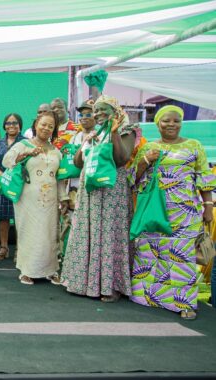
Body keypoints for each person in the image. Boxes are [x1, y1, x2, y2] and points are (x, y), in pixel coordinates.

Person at [129, 105, 215, 320]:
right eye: (166, 120)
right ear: (157, 123)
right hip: (154, 212)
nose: (171, 124)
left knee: (182, 258)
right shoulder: (148, 147)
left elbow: (204, 177)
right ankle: (147, 298)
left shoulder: (194, 146)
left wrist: (208, 207)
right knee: (151, 254)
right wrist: (146, 160)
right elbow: (133, 179)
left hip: (185, 213)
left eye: (176, 120)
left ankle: (184, 304)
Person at [61, 96, 133, 302]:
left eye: (104, 109)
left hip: (111, 192)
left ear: (115, 111)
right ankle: (85, 282)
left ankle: (111, 286)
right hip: (90, 191)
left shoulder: (126, 131)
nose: (99, 114)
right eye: (96, 110)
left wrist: (114, 133)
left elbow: (122, 159)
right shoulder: (95, 133)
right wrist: (85, 141)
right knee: (88, 232)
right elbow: (78, 163)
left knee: (109, 234)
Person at [3, 112, 69, 285]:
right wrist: (27, 154)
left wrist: (63, 198)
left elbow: (60, 178)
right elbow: (6, 161)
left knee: (50, 233)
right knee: (29, 233)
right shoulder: (23, 145)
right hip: (27, 199)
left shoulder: (56, 152)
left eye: (50, 126)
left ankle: (51, 270)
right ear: (36, 125)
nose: (46, 128)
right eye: (43, 124)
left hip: (50, 199)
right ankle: (27, 270)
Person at [0, 113, 26, 260]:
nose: (11, 125)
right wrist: (2, 176)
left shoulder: (26, 142)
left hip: (19, 185)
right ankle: (4, 247)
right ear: (4, 126)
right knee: (3, 217)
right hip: (3, 184)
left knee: (20, 217)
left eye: (15, 123)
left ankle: (20, 249)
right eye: (8, 123)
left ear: (20, 126)